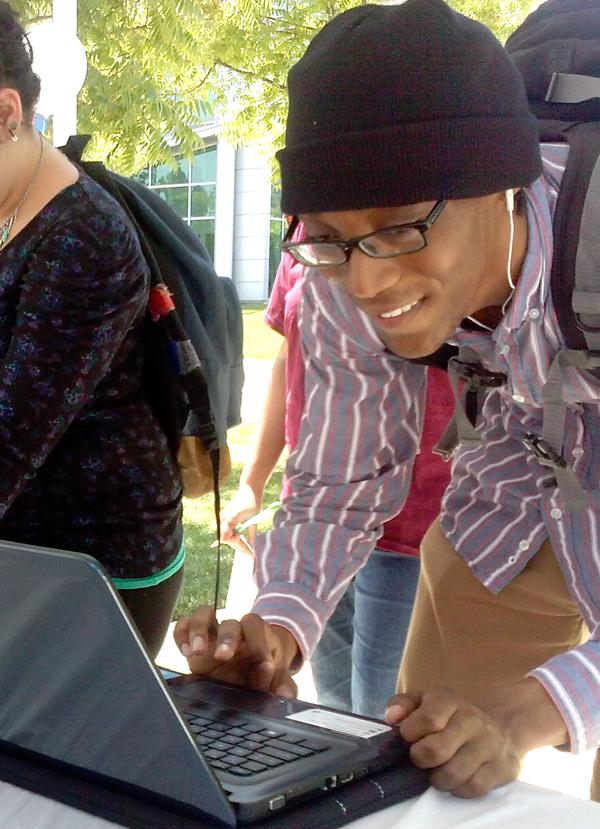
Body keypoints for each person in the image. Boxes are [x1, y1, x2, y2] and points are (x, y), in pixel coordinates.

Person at [175, 0, 600, 800]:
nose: (367, 281)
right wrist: (280, 626)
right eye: (331, 235)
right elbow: (338, 482)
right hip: (507, 504)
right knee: (431, 768)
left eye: (402, 227)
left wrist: (540, 706)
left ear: (501, 184)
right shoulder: (336, 272)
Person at [0, 3, 183, 658]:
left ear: (6, 115)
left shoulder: (82, 236)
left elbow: (7, 440)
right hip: (24, 549)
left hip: (98, 565)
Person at [221, 220, 452, 718]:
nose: (361, 282)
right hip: (323, 510)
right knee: (327, 705)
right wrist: (253, 481)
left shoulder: (444, 228)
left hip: (416, 522)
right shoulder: (306, 236)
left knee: (380, 711)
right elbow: (291, 354)